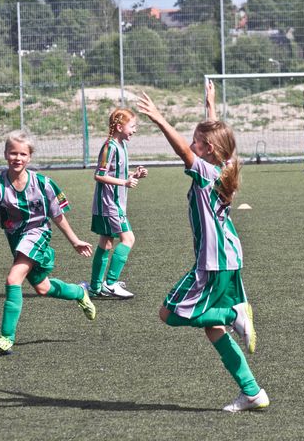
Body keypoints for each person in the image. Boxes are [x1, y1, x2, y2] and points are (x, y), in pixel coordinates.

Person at [136, 82, 269, 413]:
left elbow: (185, 151)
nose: (192, 144)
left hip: (212, 262)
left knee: (169, 313)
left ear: (207, 148)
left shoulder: (206, 171)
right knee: (213, 330)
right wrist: (210, 105)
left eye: (197, 141)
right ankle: (252, 392)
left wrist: (159, 119)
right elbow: (215, 136)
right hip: (229, 257)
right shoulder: (225, 164)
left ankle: (234, 313)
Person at [0, 130, 96, 355]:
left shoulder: (43, 183)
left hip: (37, 234)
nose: (17, 158)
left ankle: (6, 338)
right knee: (43, 288)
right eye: (13, 153)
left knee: (13, 279)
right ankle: (79, 292)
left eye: (23, 154)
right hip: (16, 239)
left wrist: (74, 240)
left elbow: (57, 215)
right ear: (5, 154)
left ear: (30, 157)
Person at [84, 108, 148, 299]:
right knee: (128, 239)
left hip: (114, 203)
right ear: (120, 127)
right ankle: (111, 283)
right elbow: (99, 175)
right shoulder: (109, 146)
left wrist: (134, 175)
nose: (135, 130)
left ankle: (95, 287)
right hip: (109, 204)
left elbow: (117, 173)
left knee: (106, 242)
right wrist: (125, 183)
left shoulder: (121, 145)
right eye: (132, 126)